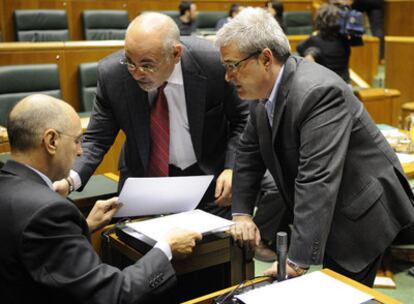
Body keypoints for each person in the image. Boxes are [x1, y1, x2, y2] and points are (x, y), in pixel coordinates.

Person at [216, 7, 414, 286]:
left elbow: (317, 178)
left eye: (232, 65)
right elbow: (249, 152)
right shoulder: (263, 93)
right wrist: (242, 214)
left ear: (265, 58)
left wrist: (297, 260)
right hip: (330, 206)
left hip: (360, 211)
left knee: (340, 291)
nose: (228, 76)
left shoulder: (318, 92)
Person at [0, 94, 202, 303]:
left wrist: (84, 227)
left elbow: (31, 249)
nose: (80, 152)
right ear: (52, 141)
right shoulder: (48, 212)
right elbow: (113, 295)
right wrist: (166, 248)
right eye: (77, 140)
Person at [54, 12, 249, 219]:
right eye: (130, 62)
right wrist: (69, 181)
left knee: (211, 248)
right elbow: (97, 139)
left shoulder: (213, 63)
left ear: (175, 54)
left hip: (208, 181)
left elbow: (243, 119)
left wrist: (231, 168)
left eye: (147, 65)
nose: (136, 73)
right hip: (143, 181)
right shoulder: (112, 75)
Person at [297, 3, 353, 83]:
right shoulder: (345, 40)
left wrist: (315, 34)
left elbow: (299, 47)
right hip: (345, 84)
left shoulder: (315, 40)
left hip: (327, 86)